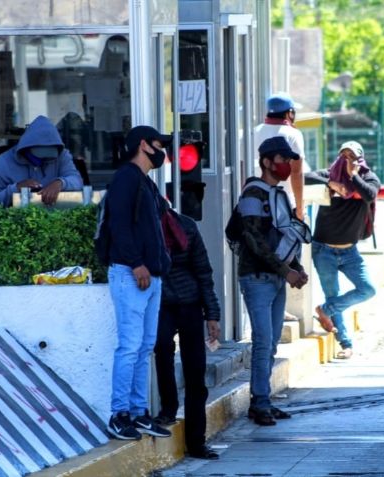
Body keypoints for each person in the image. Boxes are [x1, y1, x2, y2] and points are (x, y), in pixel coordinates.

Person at [105, 125, 174, 441]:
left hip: (151, 276)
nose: (163, 151)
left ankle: (138, 412)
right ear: (144, 145)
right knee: (130, 346)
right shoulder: (126, 178)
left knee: (145, 346)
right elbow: (118, 224)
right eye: (159, 144)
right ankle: (119, 415)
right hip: (132, 275)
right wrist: (136, 264)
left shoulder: (145, 182)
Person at [237, 136, 309, 426]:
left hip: (276, 278)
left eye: (290, 160)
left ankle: (262, 399)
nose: (287, 165)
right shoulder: (253, 195)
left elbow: (285, 234)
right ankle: (261, 402)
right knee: (263, 341)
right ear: (267, 161)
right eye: (282, 159)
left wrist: (296, 267)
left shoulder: (277, 194)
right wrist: (287, 271)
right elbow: (253, 240)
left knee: (272, 342)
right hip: (257, 277)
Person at [153, 199, 221, 460]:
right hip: (160, 305)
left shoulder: (186, 227)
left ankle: (197, 441)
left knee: (196, 374)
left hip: (190, 304)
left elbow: (203, 271)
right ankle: (168, 409)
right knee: (162, 349)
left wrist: (212, 314)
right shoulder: (144, 229)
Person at [312, 141, 380, 360]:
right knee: (333, 294)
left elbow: (369, 194)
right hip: (323, 249)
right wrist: (331, 183)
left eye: (352, 156)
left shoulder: (368, 179)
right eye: (344, 156)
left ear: (360, 159)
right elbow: (304, 177)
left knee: (367, 289)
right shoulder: (329, 175)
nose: (347, 161)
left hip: (350, 251)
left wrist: (353, 176)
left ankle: (325, 310)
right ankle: (345, 344)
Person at [0, 115, 83, 207]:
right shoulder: (2, 163)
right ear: (25, 150)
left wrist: (60, 183)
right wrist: (15, 189)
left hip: (58, 217)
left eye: (48, 158)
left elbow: (77, 181)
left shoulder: (62, 155)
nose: (42, 162)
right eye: (38, 157)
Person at [253, 93, 307, 220]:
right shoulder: (293, 134)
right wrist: (300, 209)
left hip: (255, 201)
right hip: (284, 203)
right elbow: (296, 173)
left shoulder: (253, 132)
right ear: (289, 113)